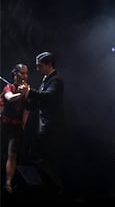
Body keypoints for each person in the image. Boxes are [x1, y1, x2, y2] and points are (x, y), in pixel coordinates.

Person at [19, 51, 65, 198]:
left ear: (48, 65)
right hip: (45, 126)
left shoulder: (56, 80)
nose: (37, 69)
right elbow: (38, 101)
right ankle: (51, 189)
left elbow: (48, 96)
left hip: (52, 127)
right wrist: (26, 99)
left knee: (41, 156)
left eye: (39, 66)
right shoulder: (47, 79)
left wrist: (29, 92)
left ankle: (55, 189)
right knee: (42, 157)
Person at [1, 64, 30, 194]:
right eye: (22, 73)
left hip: (16, 127)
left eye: (26, 73)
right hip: (4, 124)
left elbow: (28, 109)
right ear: (15, 74)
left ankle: (8, 183)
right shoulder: (9, 88)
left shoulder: (27, 89)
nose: (24, 76)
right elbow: (10, 98)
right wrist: (20, 93)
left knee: (12, 154)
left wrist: (24, 123)